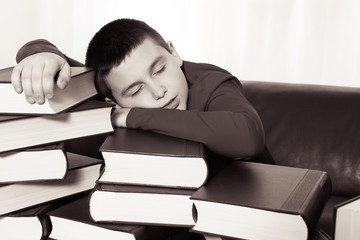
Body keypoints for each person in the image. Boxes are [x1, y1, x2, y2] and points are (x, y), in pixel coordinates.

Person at [11, 18, 265, 160]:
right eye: (135, 91)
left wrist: (129, 115)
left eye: (159, 70)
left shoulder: (210, 81)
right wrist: (37, 52)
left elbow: (247, 138)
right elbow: (68, 72)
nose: (159, 92)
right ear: (111, 100)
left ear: (173, 53)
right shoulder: (108, 93)